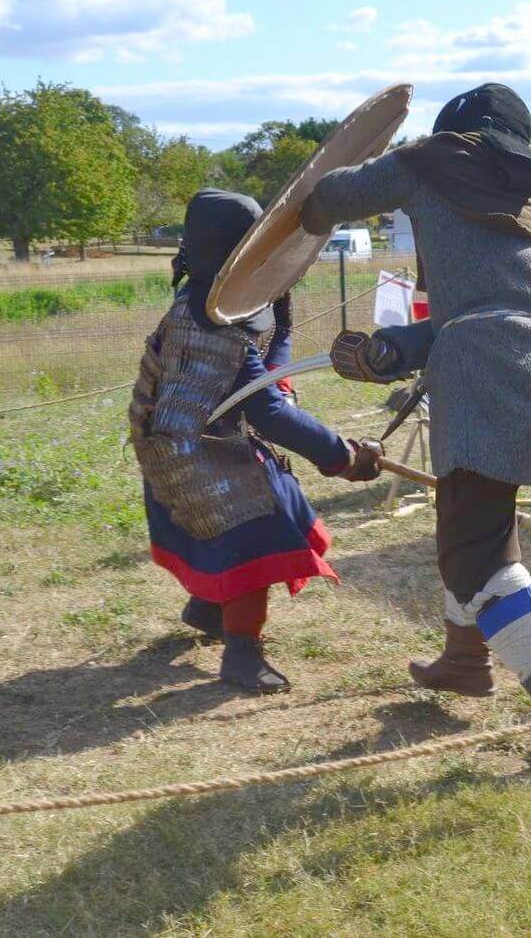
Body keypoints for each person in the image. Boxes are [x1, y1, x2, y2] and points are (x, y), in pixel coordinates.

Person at [300, 84, 531, 762]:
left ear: (456, 135)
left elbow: (324, 200)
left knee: (473, 552)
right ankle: (464, 661)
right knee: (474, 521)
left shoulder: (429, 161)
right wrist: (390, 351)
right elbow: (485, 306)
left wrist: (314, 192)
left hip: (486, 369)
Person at [130, 188, 380, 693]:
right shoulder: (209, 322)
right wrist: (343, 457)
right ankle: (242, 654)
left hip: (199, 437)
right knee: (257, 534)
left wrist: (277, 371)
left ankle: (209, 609)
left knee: (267, 514)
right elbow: (267, 412)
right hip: (188, 449)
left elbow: (273, 344)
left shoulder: (235, 303)